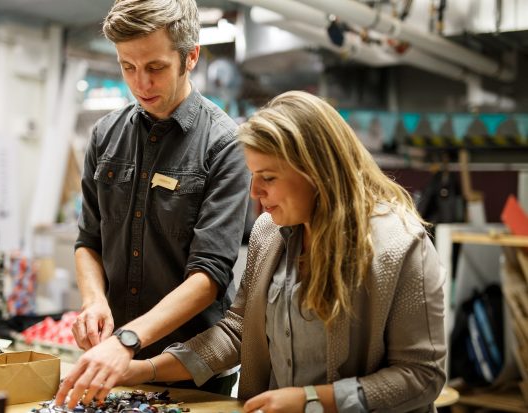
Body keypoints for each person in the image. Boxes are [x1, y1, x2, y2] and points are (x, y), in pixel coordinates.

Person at [119, 91, 447, 413]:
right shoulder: (268, 233)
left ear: (317, 172)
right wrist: (144, 370)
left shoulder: (400, 246)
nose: (254, 191)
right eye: (253, 175)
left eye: (269, 177)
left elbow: (421, 375)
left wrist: (313, 401)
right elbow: (238, 332)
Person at [55, 0, 250, 407]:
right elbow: (88, 240)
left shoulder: (225, 145)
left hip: (191, 368)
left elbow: (209, 275)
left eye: (156, 67)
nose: (141, 83)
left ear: (190, 56)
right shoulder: (105, 136)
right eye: (128, 67)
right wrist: (94, 300)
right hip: (114, 359)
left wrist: (129, 338)